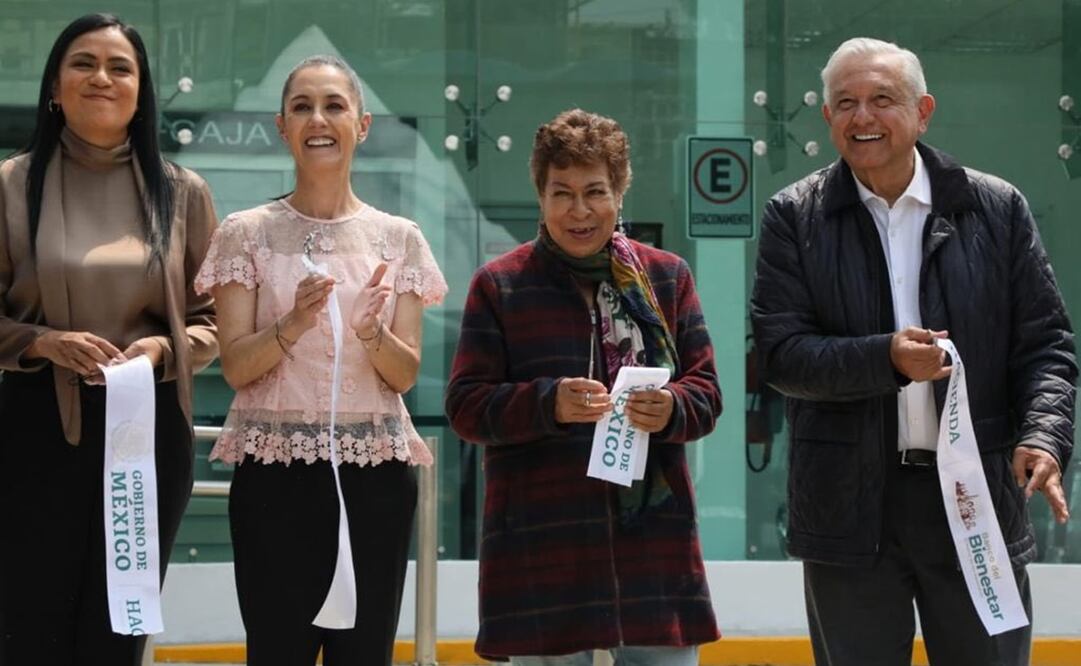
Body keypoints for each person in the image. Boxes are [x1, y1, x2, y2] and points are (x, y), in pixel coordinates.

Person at [751, 37, 1077, 666]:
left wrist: (1043, 434)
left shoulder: (996, 208)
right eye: (844, 103)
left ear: (923, 111)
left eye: (881, 100)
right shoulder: (794, 216)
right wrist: (886, 360)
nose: (862, 117)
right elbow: (783, 355)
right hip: (847, 505)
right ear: (826, 118)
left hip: (975, 495)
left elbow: (1047, 348)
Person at [195, 54, 447, 666]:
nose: (318, 119)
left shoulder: (400, 237)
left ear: (361, 125)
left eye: (334, 105)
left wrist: (370, 334)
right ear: (282, 128)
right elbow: (234, 367)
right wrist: (294, 322)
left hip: (374, 477)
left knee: (364, 654)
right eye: (302, 106)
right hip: (275, 477)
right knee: (276, 651)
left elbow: (405, 372)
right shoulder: (245, 232)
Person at [446, 108, 722, 665]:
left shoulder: (667, 278)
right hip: (542, 540)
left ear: (619, 193)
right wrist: (549, 403)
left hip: (651, 544)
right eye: (560, 193)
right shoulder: (500, 285)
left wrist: (669, 407)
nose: (578, 211)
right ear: (540, 198)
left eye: (595, 191)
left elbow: (708, 394)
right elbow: (465, 406)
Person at [0, 13, 219, 665]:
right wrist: (41, 343)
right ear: (53, 87)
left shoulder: (182, 194)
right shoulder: (11, 185)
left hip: (145, 440)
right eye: (83, 63)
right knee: (26, 628)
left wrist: (157, 350)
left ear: (140, 91)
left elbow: (215, 323)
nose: (102, 77)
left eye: (120, 67)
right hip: (33, 435)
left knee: (115, 636)